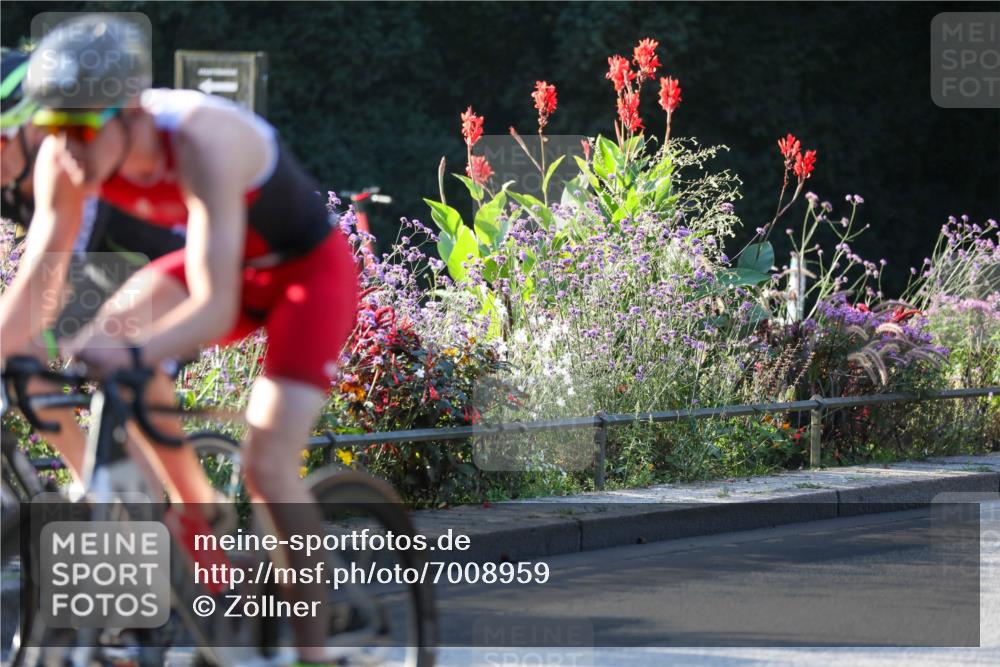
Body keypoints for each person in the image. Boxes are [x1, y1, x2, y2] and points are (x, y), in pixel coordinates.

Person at [1, 16, 359, 665]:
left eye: (82, 129)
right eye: (53, 129)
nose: (67, 148)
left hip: (305, 271)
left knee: (268, 464)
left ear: (132, 112)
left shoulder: (200, 140)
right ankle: (200, 515)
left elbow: (213, 306)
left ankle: (314, 650)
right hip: (215, 266)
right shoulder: (65, 159)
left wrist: (133, 353)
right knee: (103, 346)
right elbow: (35, 290)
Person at [3, 47, 188, 488]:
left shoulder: (71, 166)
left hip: (164, 264)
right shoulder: (11, 173)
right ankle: (92, 484)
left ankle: (175, 503)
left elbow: (55, 279)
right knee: (23, 366)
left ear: (33, 129)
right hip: (99, 267)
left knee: (123, 378)